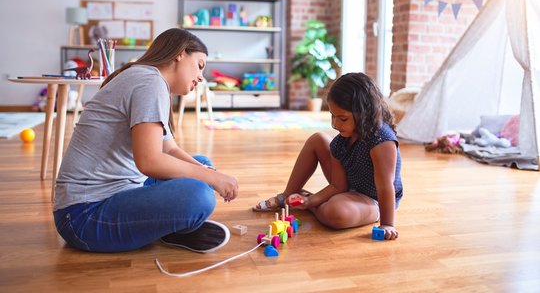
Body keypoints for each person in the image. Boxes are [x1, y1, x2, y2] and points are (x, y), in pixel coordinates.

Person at [53, 28, 239, 253]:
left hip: (116, 193)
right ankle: (166, 227)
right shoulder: (149, 82)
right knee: (198, 196)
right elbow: (150, 162)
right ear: (180, 53)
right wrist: (211, 177)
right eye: (199, 65)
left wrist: (208, 173)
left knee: (200, 162)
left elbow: (168, 149)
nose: (201, 76)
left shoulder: (147, 77)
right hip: (83, 216)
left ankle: (162, 227)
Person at [253, 72, 403, 240]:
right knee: (317, 139)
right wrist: (312, 201)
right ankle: (289, 194)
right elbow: (338, 186)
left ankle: (309, 201)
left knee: (335, 213)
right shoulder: (340, 141)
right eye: (332, 116)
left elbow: (385, 186)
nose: (335, 124)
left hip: (374, 200)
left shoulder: (381, 139)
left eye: (343, 118)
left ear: (364, 113)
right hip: (348, 189)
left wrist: (387, 223)